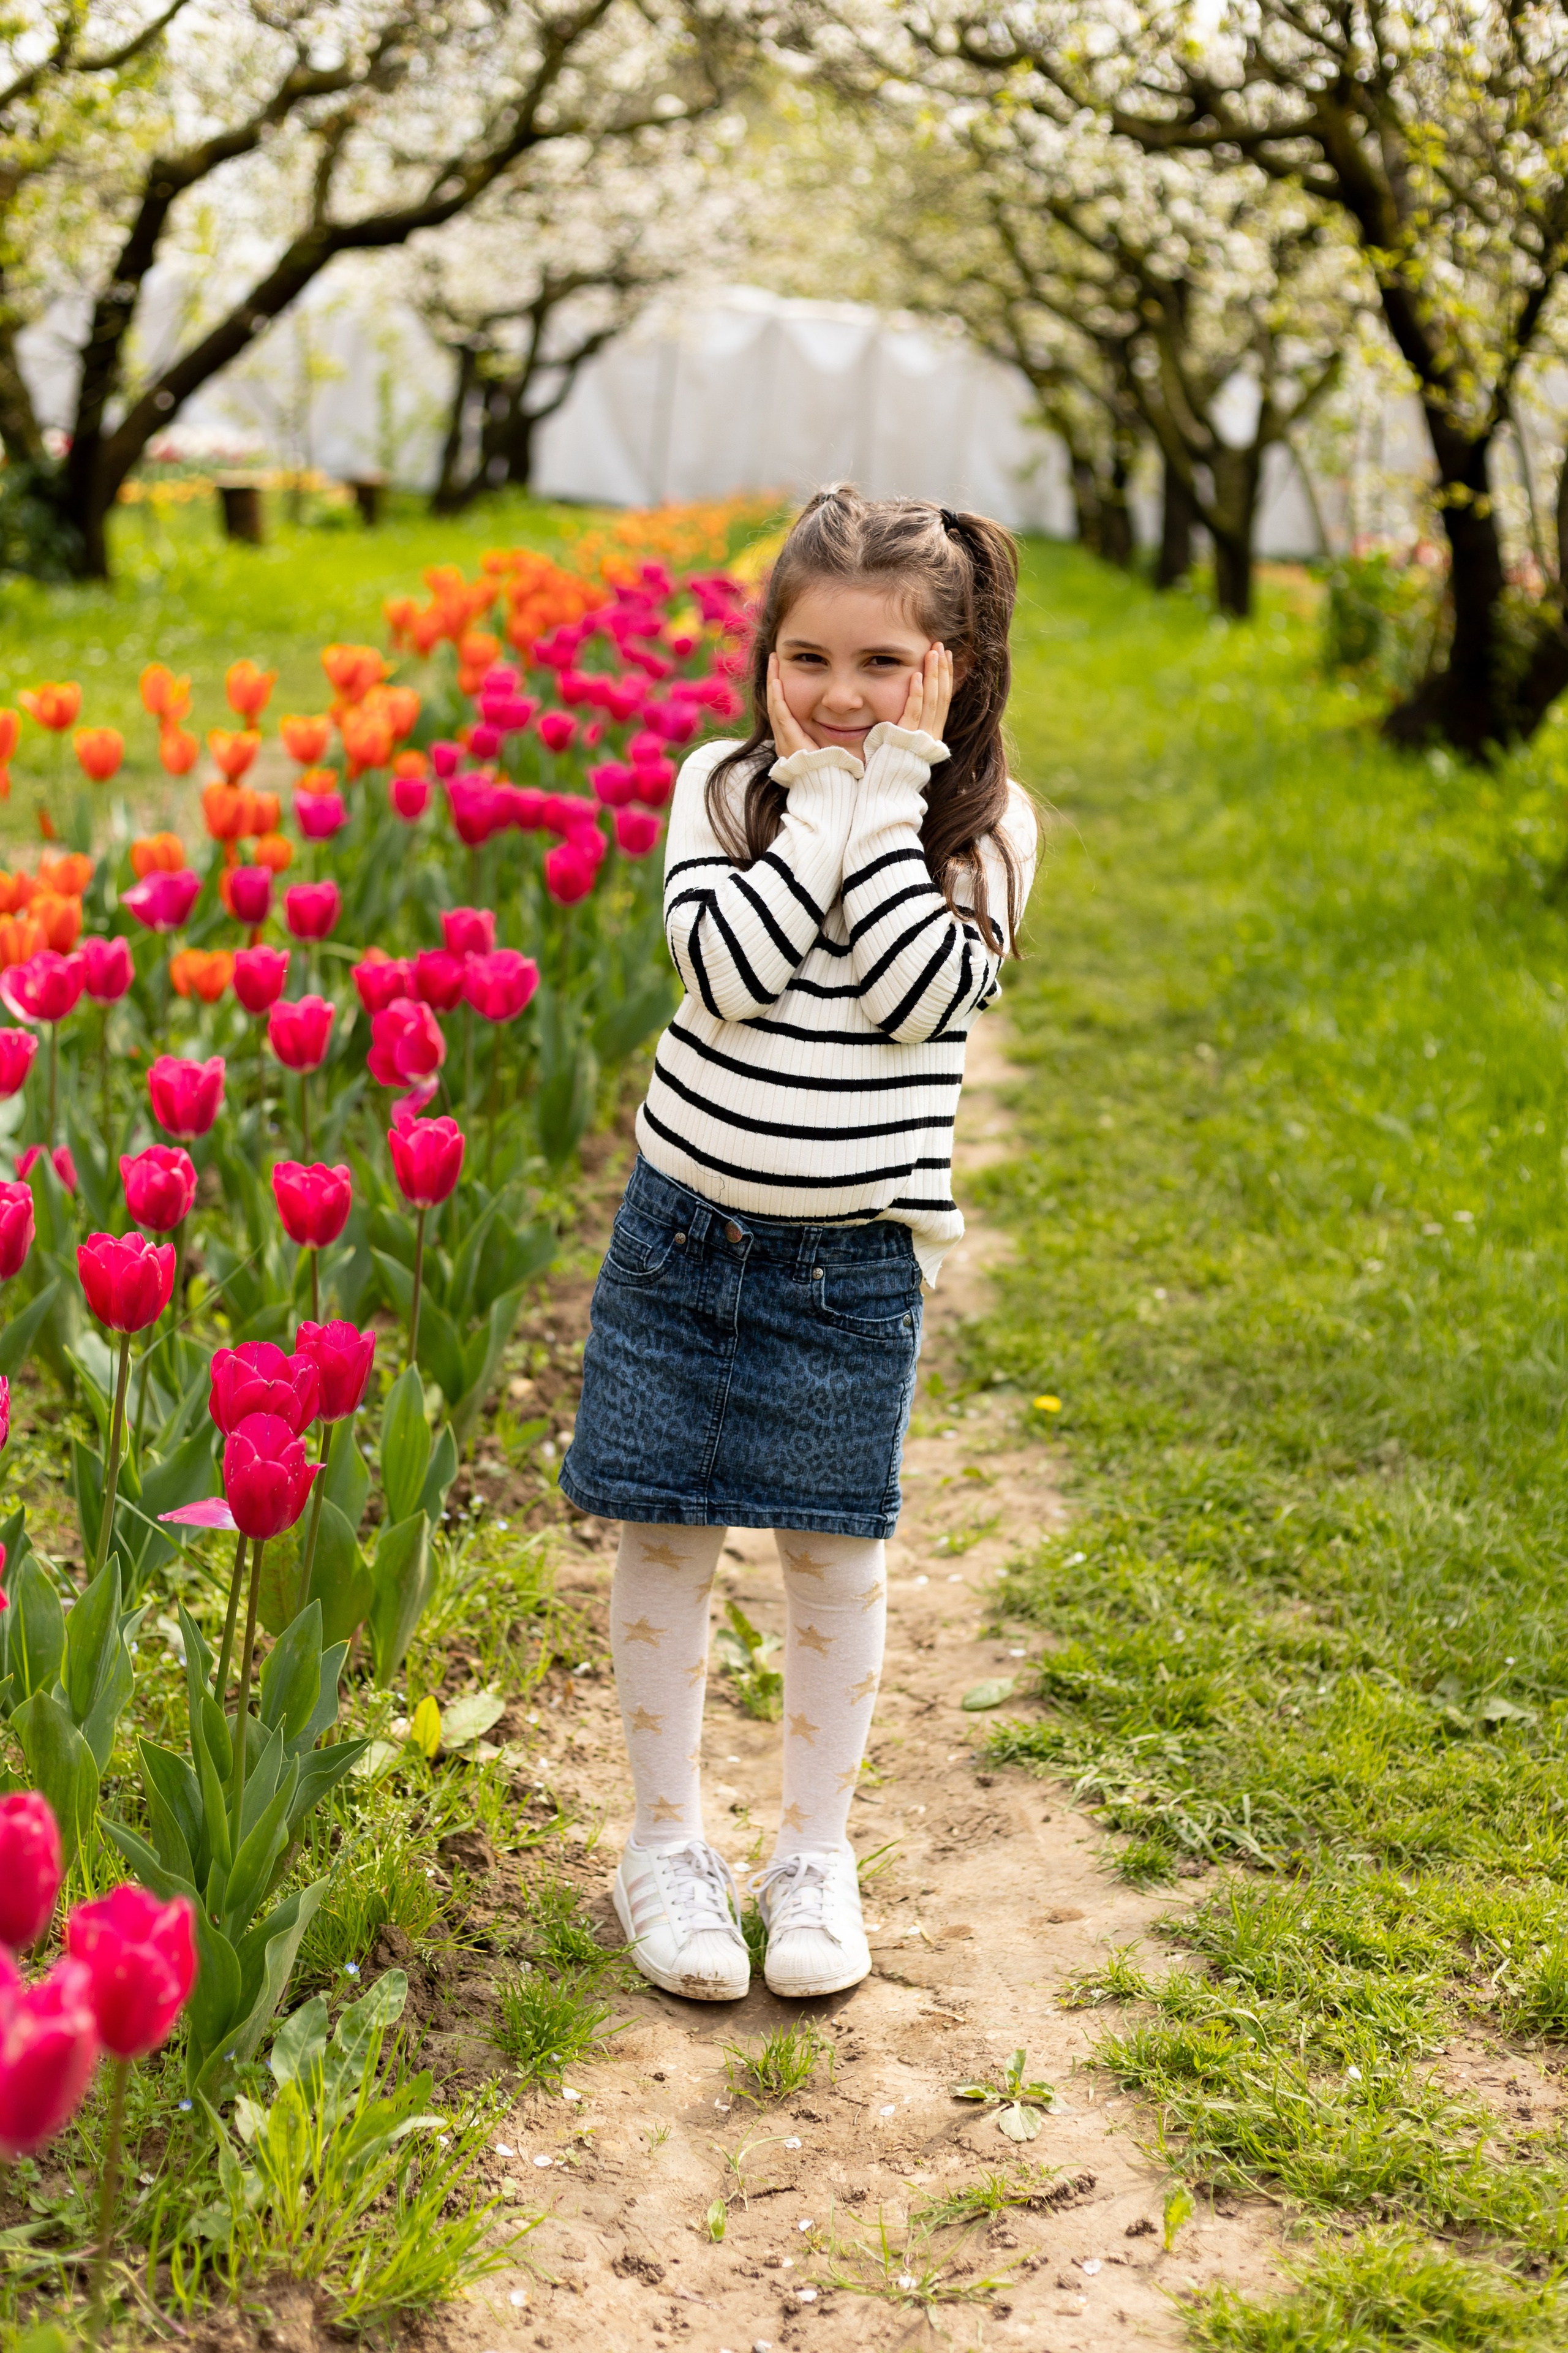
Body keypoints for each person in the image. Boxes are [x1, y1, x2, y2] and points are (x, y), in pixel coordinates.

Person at [560, 483, 1038, 2001]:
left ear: (950, 671)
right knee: (666, 1534)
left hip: (849, 1267)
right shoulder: (719, 791)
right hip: (681, 1237)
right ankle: (662, 1843)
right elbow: (733, 966)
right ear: (763, 658)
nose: (839, 696)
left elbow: (918, 996)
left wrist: (886, 803)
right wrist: (818, 809)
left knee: (833, 1555)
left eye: (882, 666)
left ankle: (810, 1853)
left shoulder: (984, 829)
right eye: (807, 661)